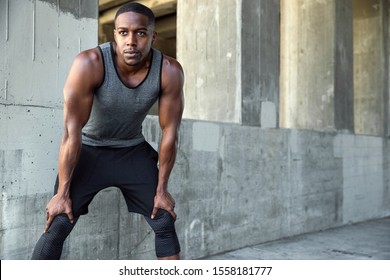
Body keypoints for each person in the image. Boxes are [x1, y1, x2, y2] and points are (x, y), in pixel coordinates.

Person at [31, 2, 184, 260]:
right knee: (58, 222)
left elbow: (170, 133)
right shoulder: (90, 63)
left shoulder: (169, 71)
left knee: (163, 221)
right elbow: (71, 131)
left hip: (131, 151)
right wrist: (62, 193)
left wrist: (162, 191)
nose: (131, 41)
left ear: (153, 36)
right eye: (123, 32)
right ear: (114, 34)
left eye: (141, 33)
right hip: (88, 151)